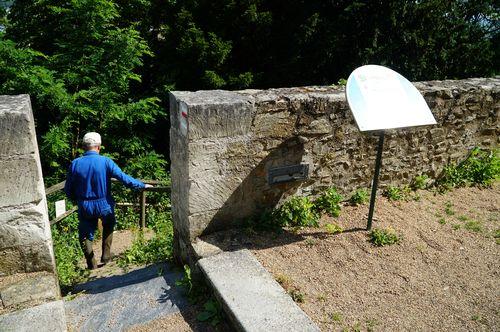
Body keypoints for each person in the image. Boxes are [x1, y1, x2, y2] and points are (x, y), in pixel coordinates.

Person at [64, 132, 151, 269]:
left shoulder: (75, 164)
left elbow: (68, 189)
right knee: (109, 224)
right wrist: (141, 185)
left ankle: (91, 264)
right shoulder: (105, 161)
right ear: (98, 147)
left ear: (84, 147)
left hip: (85, 204)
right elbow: (123, 177)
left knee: (85, 234)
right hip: (104, 202)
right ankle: (106, 256)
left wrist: (76, 200)